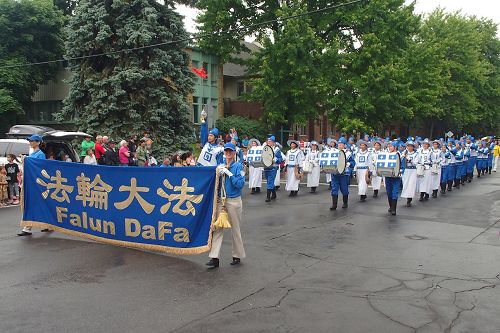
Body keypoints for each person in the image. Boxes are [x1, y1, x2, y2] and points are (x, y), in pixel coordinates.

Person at [206, 143, 246, 268]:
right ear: (224, 152)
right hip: (221, 201)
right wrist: (218, 173)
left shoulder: (238, 166)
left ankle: (237, 255)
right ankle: (214, 257)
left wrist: (229, 173)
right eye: (226, 151)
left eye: (230, 151)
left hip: (233, 201)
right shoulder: (220, 166)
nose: (228, 153)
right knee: (217, 228)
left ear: (234, 153)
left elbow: (240, 184)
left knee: (235, 229)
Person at [18, 134, 49, 236]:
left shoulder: (41, 155)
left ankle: (42, 225)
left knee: (38, 203)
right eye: (30, 141)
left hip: (38, 183)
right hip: (30, 183)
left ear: (38, 142)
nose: (31, 142)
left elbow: (41, 169)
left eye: (33, 141)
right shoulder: (31, 155)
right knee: (32, 203)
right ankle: (30, 227)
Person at [330, 137, 354, 210]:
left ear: (344, 145)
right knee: (334, 188)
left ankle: (345, 202)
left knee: (344, 189)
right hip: (335, 173)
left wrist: (348, 164)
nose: (340, 145)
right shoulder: (334, 152)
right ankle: (334, 205)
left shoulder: (348, 153)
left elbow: (353, 162)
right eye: (339, 144)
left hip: (344, 174)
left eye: (341, 144)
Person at [263, 136, 283, 203]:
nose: (268, 142)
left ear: (273, 142)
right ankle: (274, 194)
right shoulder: (265, 148)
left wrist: (275, 159)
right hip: (266, 167)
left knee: (270, 181)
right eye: (268, 141)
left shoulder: (277, 150)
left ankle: (268, 196)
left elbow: (280, 159)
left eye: (270, 141)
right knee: (269, 181)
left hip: (273, 167)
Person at [384, 142, 401, 215]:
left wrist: (399, 172)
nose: (389, 147)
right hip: (388, 176)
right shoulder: (387, 154)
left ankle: (394, 209)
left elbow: (402, 166)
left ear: (395, 147)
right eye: (389, 146)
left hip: (396, 177)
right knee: (389, 192)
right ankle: (391, 206)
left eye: (391, 146)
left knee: (395, 192)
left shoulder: (399, 155)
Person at [401, 140, 419, 207]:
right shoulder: (405, 152)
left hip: (412, 170)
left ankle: (409, 199)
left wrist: (410, 160)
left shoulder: (416, 154)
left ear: (413, 147)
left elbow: (416, 162)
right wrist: (403, 156)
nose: (409, 147)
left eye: (411, 146)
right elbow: (400, 159)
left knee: (411, 184)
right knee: (405, 183)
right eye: (408, 146)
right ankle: (406, 196)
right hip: (406, 170)